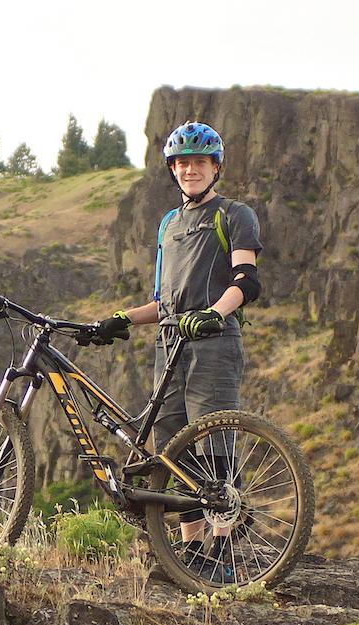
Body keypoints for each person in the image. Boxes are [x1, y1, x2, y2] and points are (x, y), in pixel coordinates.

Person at [92, 120, 263, 579]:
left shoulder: (234, 214)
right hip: (169, 345)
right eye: (182, 163)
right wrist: (123, 318)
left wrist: (217, 313)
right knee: (170, 448)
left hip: (213, 341)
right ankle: (191, 552)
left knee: (215, 440)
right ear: (173, 169)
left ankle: (223, 550)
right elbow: (163, 303)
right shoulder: (169, 224)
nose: (190, 169)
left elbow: (248, 280)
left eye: (199, 162)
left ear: (215, 167)